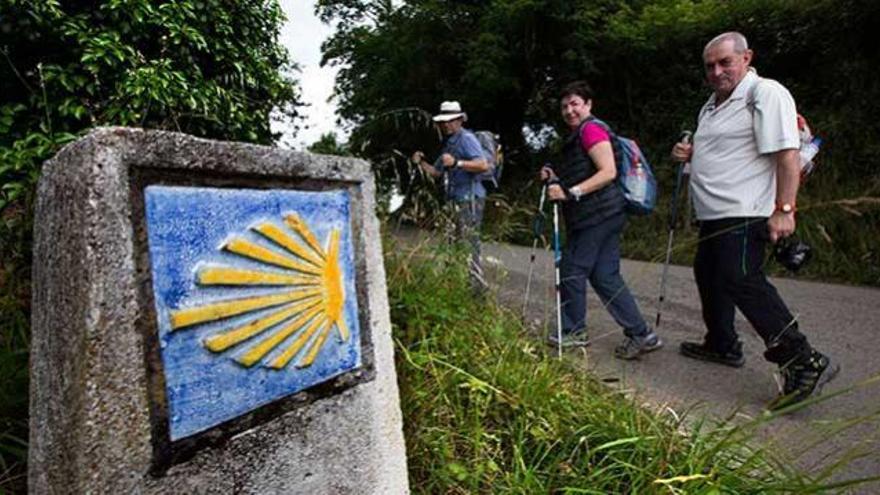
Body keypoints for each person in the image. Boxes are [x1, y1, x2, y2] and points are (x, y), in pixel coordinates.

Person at [670, 32, 838, 409]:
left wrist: (785, 209)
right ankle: (722, 344)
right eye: (710, 65)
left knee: (742, 280)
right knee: (709, 275)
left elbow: (787, 154)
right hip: (713, 213)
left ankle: (802, 358)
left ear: (746, 58)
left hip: (746, 210)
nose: (716, 71)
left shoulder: (765, 92)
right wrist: (691, 152)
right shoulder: (710, 106)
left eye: (724, 62)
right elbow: (727, 149)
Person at [541, 81, 660, 360]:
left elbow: (607, 172)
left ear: (588, 105)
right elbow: (579, 167)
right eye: (564, 106)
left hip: (597, 214)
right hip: (605, 213)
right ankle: (642, 334)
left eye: (575, 104)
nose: (569, 110)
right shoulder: (579, 134)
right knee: (605, 275)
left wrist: (570, 193)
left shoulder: (591, 129)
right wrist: (553, 172)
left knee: (571, 267)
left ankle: (573, 332)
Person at [412, 101, 490, 294]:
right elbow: (437, 173)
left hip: (471, 198)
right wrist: (420, 162)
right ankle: (460, 284)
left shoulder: (466, 138)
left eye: (451, 120)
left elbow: (483, 165)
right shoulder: (450, 143)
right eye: (443, 121)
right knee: (455, 242)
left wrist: (458, 162)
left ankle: (476, 289)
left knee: (468, 243)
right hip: (455, 200)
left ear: (459, 120)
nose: (446, 124)